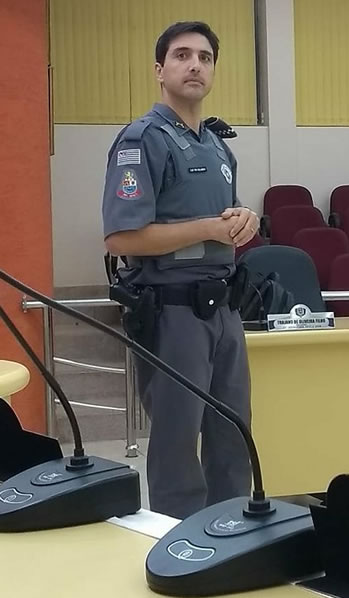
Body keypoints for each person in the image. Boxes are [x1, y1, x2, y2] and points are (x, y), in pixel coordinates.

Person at [101, 21, 259, 519]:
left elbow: (223, 222)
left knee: (233, 438)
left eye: (205, 58)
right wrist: (208, 228)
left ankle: (232, 537)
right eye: (182, 55)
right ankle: (179, 547)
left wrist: (246, 220)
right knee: (177, 446)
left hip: (224, 310)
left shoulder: (217, 146)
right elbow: (121, 237)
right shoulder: (143, 140)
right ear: (160, 70)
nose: (195, 65)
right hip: (173, 314)